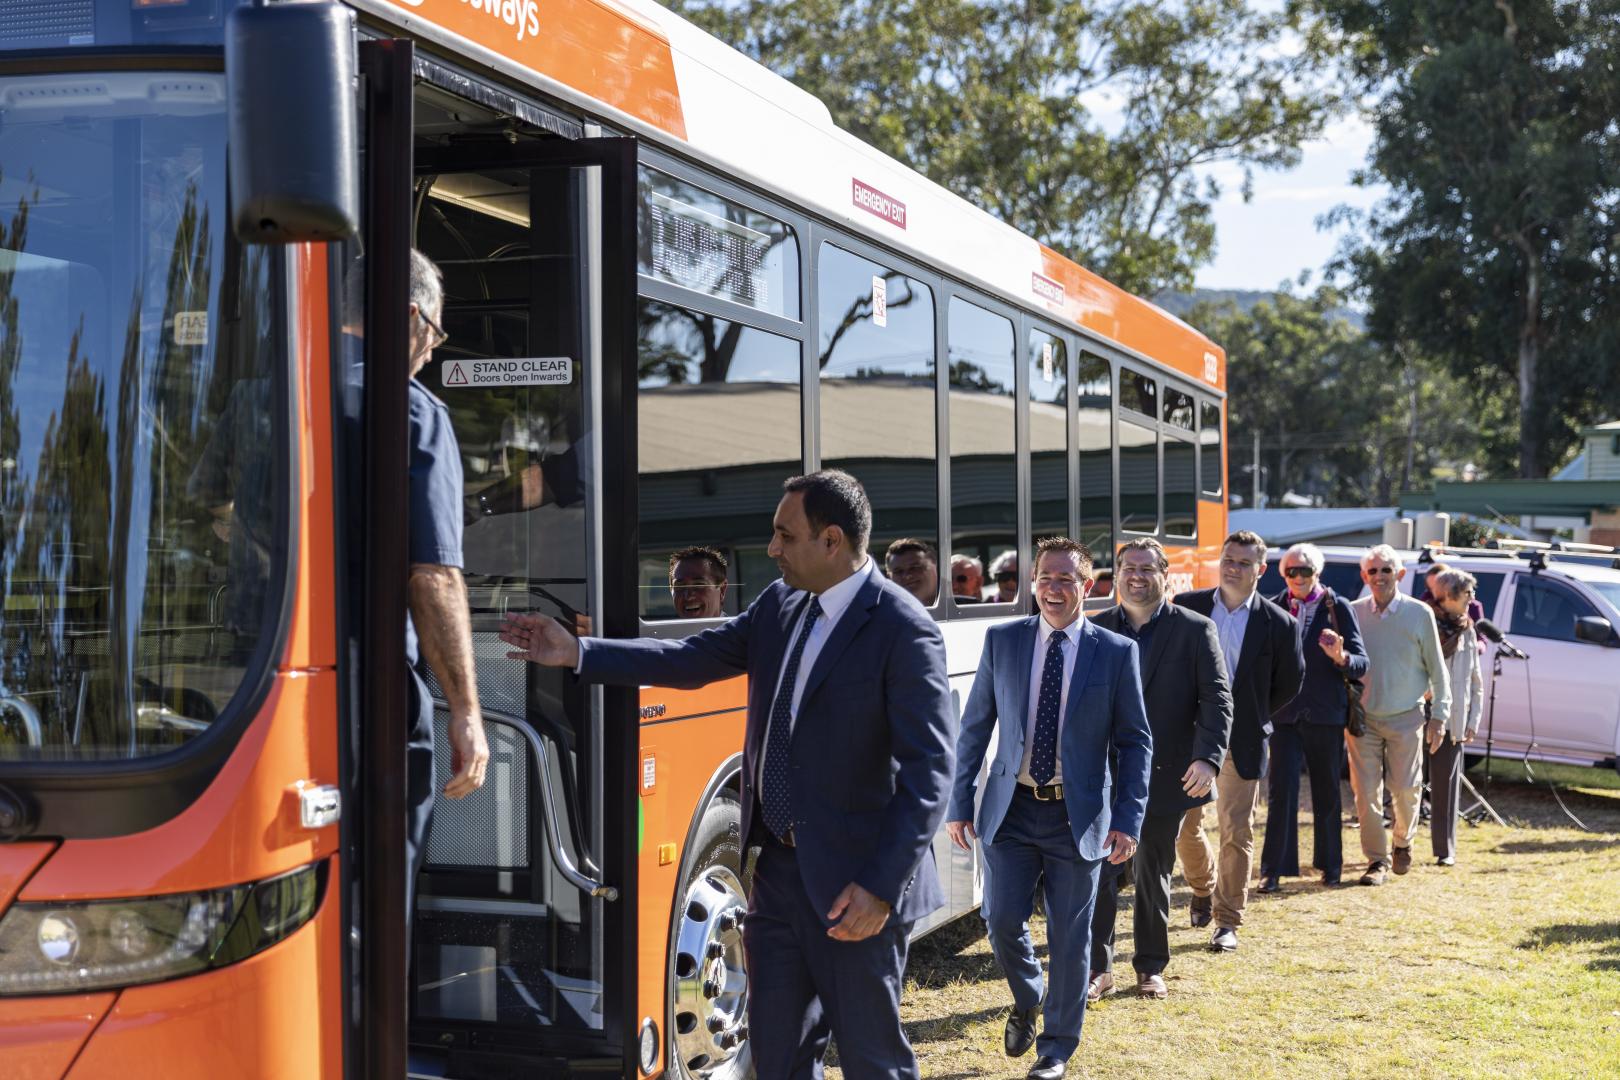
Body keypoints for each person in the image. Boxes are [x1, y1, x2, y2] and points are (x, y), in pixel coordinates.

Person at [500, 470, 956, 1079]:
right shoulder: (780, 604)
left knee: (874, 1062)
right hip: (777, 880)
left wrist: (879, 887)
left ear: (832, 541)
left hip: (857, 888)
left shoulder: (903, 628)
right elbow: (691, 659)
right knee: (775, 1060)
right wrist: (578, 652)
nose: (771, 550)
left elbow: (931, 773)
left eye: (783, 535)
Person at [945, 538, 1151, 1079]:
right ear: (1032, 582)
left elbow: (1135, 742)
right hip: (1009, 810)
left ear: (1088, 586)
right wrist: (959, 800)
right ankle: (1028, 994)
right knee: (1001, 919)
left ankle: (1056, 1048)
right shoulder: (1003, 640)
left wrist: (1128, 818)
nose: (1053, 589)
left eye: (1066, 580)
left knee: (1070, 933)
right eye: (1045, 578)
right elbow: (975, 728)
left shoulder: (1115, 651)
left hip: (1077, 818)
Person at [345, 251, 491, 922]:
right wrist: (465, 710)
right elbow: (432, 574)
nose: (431, 354)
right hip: (375, 694)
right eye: (434, 333)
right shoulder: (412, 414)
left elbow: (219, 519)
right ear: (409, 317)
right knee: (380, 888)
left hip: (273, 686)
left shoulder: (267, 395)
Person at [1088, 538, 1232, 1001]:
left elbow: (1217, 698)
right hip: (1105, 773)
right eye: (1128, 567)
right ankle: (1098, 970)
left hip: (1167, 773)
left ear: (1164, 574)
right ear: (1117, 574)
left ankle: (1150, 966)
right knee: (1101, 873)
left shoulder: (1195, 630)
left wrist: (1208, 757)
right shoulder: (1094, 629)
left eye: (1147, 568)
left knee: (1154, 871)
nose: (1137, 576)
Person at [1172, 531, 1303, 951]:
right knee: (1183, 827)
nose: (1233, 567)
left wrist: (1253, 715)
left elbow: (1290, 682)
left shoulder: (1279, 624)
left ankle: (1227, 920)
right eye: (1228, 559)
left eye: (1244, 563)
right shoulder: (1188, 608)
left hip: (1243, 738)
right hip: (1190, 736)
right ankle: (1202, 885)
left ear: (1260, 570)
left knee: (1236, 830)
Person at [1260, 543, 1369, 889]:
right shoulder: (1274, 607)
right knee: (1281, 792)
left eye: (1304, 570)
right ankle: (1273, 871)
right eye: (1290, 571)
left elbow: (1362, 662)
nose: (1297, 577)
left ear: (1317, 573)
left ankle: (1330, 866)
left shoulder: (1337, 607)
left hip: (1325, 712)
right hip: (1284, 714)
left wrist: (1341, 656)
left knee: (1326, 791)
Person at [1348, 544, 1451, 886]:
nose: (1379, 576)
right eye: (1373, 571)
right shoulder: (1354, 612)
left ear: (1400, 575)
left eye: (1386, 570)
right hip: (1361, 719)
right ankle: (1377, 860)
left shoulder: (1419, 613)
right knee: (1366, 792)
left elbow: (1438, 669)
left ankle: (1402, 842)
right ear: (1365, 576)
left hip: (1407, 715)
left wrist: (1440, 716)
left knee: (1406, 789)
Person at [1425, 567, 1484, 866]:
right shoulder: (1424, 622)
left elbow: (1476, 681)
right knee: (1404, 783)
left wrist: (1473, 721)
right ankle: (1399, 844)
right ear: (1448, 596)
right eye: (1468, 593)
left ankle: (1444, 850)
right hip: (1418, 713)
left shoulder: (1468, 628)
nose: (1473, 598)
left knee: (1447, 786)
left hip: (1454, 719)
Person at [669, 545, 729, 619]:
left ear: (722, 590)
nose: (688, 596)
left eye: (698, 584)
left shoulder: (741, 630)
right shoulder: (661, 630)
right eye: (680, 586)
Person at [885, 536, 940, 606]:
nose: (907, 576)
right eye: (898, 571)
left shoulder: (956, 608)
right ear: (889, 578)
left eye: (914, 568)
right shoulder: (885, 614)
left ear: (936, 568)